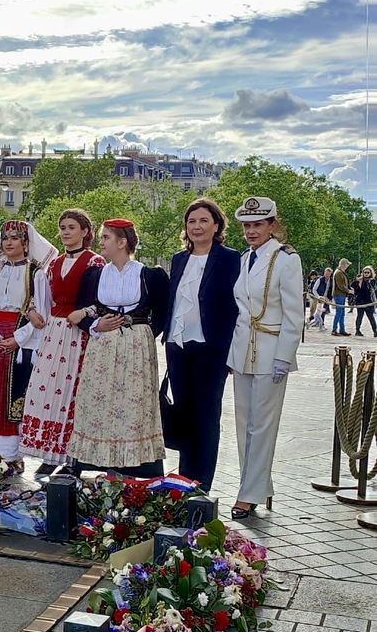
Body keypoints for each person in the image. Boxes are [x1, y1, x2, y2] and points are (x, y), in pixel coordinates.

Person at [68, 219, 169, 477]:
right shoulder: (96, 275)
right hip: (102, 348)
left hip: (136, 350)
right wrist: (96, 325)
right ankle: (99, 462)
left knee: (134, 405)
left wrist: (141, 332)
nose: (101, 242)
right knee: (99, 403)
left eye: (106, 238)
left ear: (122, 242)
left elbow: (163, 312)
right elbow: (80, 311)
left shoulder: (149, 275)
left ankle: (135, 464)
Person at [227, 196, 304, 519]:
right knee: (245, 425)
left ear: (272, 225)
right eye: (247, 225)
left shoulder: (286, 259)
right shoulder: (246, 259)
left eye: (258, 224)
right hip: (243, 350)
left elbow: (294, 314)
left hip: (272, 351)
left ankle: (249, 493)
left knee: (262, 426)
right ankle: (257, 484)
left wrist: (285, 356)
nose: (251, 231)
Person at [163, 198, 240, 491]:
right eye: (192, 221)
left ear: (216, 225)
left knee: (207, 417)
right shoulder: (178, 259)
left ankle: (202, 485)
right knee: (184, 416)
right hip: (177, 347)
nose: (197, 226)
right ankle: (184, 480)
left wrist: (231, 349)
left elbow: (235, 307)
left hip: (211, 349)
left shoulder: (231, 258)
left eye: (203, 221)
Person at [19, 208, 103, 474]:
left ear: (85, 232)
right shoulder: (52, 264)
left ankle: (72, 457)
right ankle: (50, 451)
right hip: (53, 332)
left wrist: (86, 314)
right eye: (63, 227)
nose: (66, 232)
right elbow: (38, 297)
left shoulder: (94, 262)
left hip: (78, 334)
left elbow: (99, 301)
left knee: (72, 393)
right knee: (46, 390)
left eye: (71, 227)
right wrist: (31, 311)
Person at [0, 219, 57, 467]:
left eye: (15, 238)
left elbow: (43, 315)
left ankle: (11, 455)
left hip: (19, 342)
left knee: (15, 395)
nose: (8, 242)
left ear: (26, 243)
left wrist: (17, 339)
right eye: (5, 238)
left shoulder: (36, 274)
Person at [353, 267, 377, 337]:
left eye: (368, 272)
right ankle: (357, 330)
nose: (366, 274)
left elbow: (374, 290)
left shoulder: (372, 281)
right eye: (365, 272)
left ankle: (375, 331)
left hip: (369, 302)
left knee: (371, 317)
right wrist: (359, 282)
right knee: (359, 316)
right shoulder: (359, 280)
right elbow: (354, 289)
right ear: (362, 273)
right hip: (360, 301)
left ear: (370, 273)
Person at [332, 258, 352, 335]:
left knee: (342, 313)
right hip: (339, 295)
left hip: (342, 295)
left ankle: (342, 329)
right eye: (347, 264)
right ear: (343, 264)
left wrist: (349, 288)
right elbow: (341, 286)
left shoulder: (341, 272)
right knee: (339, 312)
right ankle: (334, 330)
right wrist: (348, 291)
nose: (347, 266)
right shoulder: (338, 273)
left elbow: (344, 284)